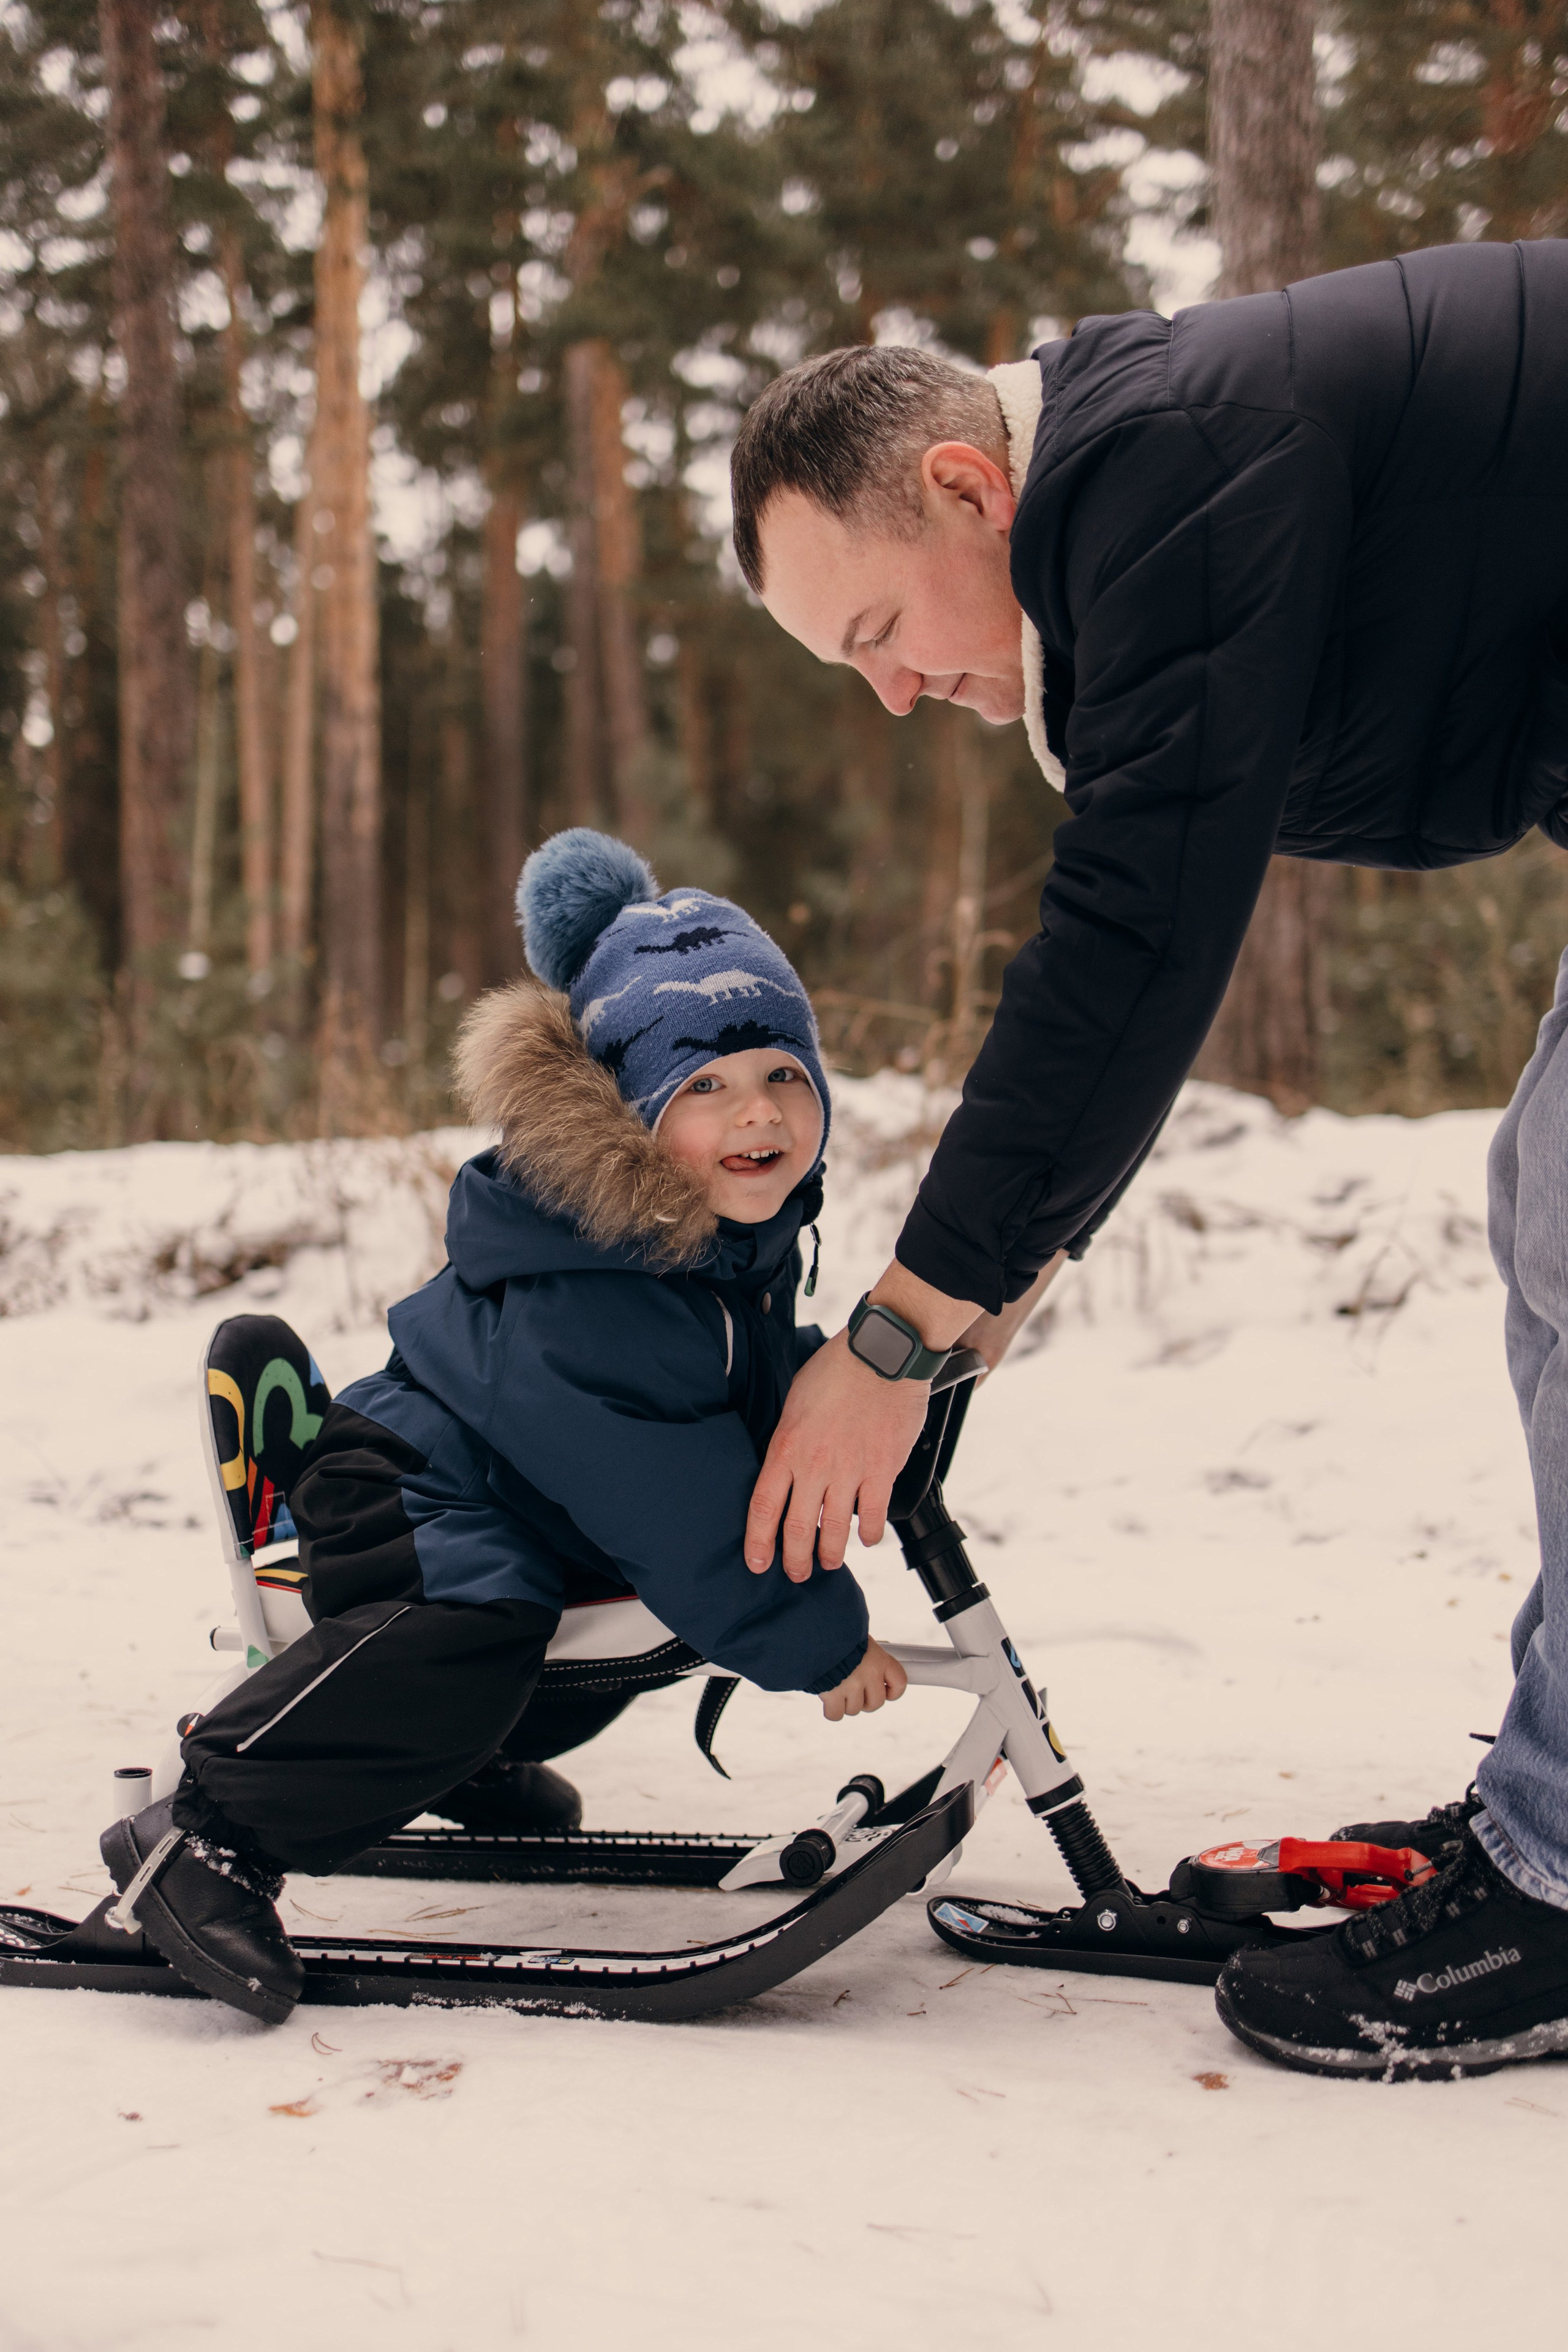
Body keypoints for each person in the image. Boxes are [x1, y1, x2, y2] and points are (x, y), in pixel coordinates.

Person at [729, 236, 1568, 2078]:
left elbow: (1136, 932)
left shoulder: (1163, 465)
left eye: (878, 634)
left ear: (967, 487)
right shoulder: (1148, 485)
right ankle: (1554, 1811)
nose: (890, 695)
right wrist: (1012, 1270)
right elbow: (1160, 935)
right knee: (1549, 1213)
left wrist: (897, 1333)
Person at [100, 831, 907, 2025]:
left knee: (611, 1635)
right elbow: (664, 1497)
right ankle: (210, 1831)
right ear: (627, 1115)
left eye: (783, 1074)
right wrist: (814, 1640)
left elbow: (722, 1384)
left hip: (519, 1497)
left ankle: (461, 1755)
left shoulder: (714, 1242)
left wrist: (860, 1384)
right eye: (705, 1087)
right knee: (479, 1626)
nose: (759, 1113)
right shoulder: (594, 1284)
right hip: (414, 1495)